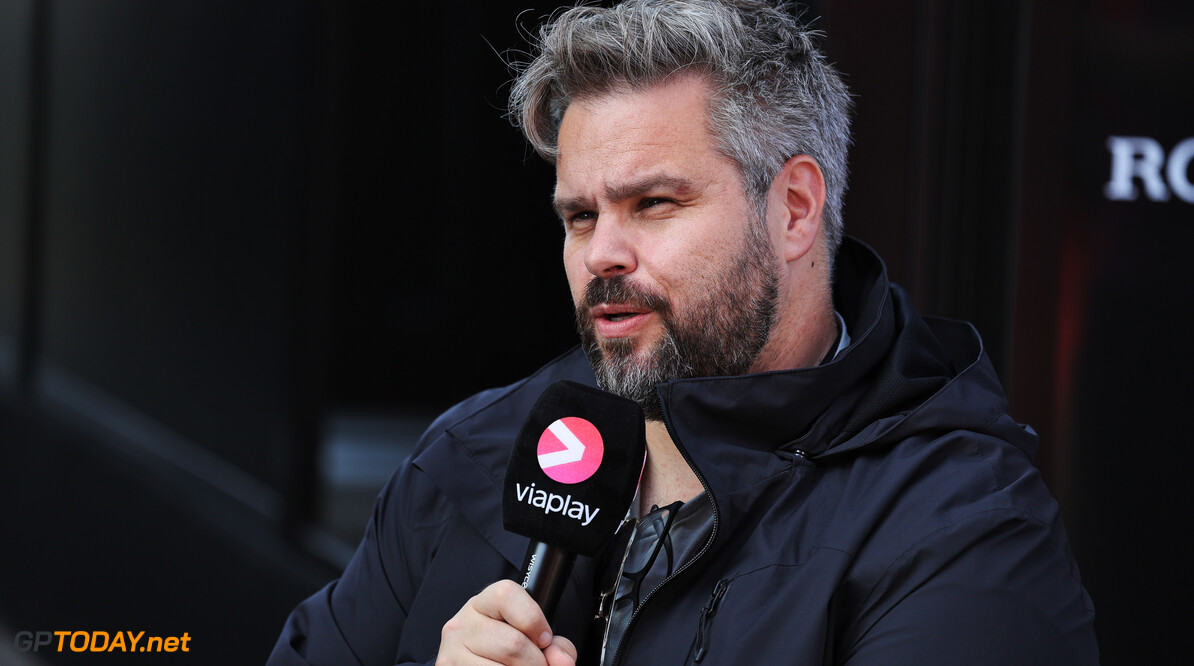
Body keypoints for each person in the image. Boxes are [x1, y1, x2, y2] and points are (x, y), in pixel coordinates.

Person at [268, 1, 1098, 664]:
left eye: (653, 204)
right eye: (579, 216)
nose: (602, 255)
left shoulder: (962, 527)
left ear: (795, 208)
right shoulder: (474, 454)